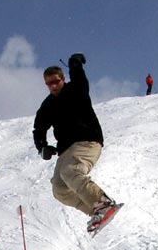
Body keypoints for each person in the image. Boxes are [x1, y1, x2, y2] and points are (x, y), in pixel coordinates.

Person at [33, 53, 119, 235]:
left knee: (71, 171)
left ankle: (103, 203)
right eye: (49, 83)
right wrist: (42, 146)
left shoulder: (76, 90)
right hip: (65, 150)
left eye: (56, 81)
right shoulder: (47, 105)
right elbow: (38, 128)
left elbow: (79, 78)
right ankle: (96, 212)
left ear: (63, 79)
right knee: (59, 189)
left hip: (87, 140)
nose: (53, 86)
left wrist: (75, 64)